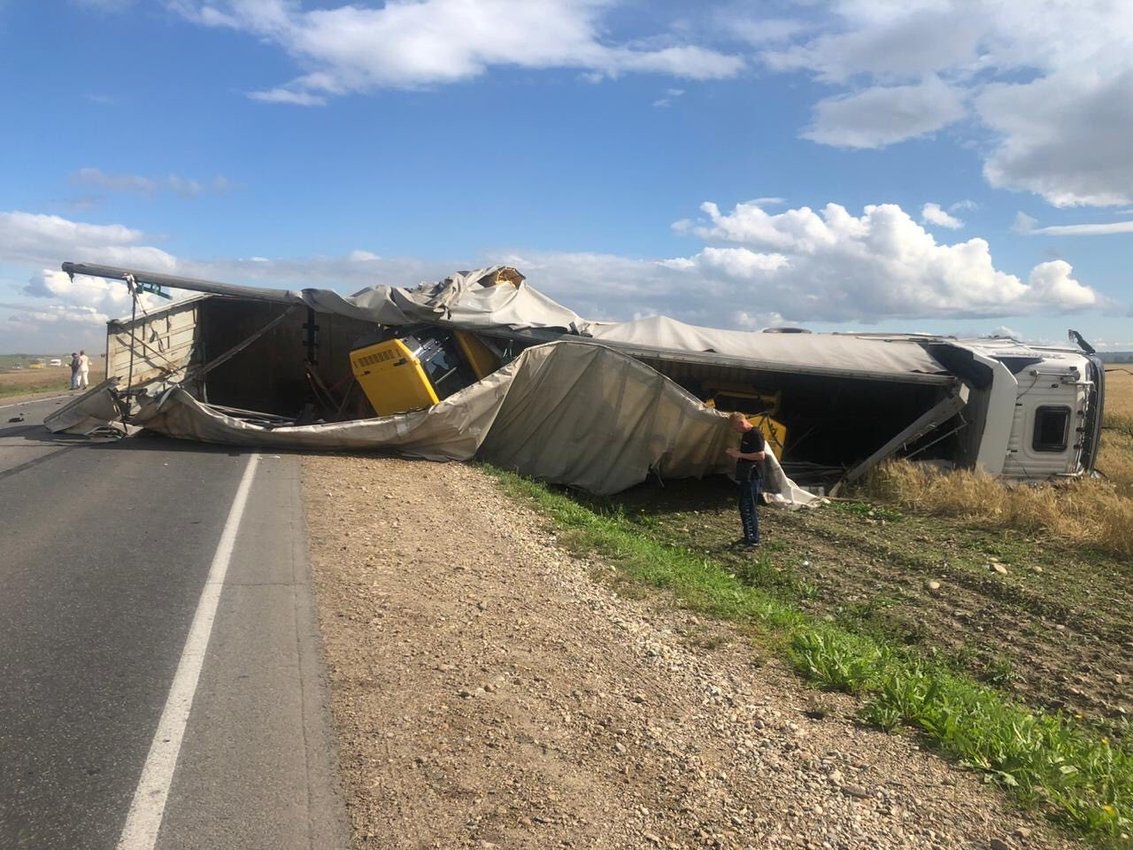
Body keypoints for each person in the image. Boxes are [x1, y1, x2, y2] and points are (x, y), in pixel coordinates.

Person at [725, 411, 767, 547]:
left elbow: (761, 456)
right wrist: (737, 451)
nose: (736, 431)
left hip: (753, 476)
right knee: (743, 506)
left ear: (741, 423)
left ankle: (753, 539)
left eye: (736, 428)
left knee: (748, 507)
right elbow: (749, 452)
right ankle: (748, 536)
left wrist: (739, 454)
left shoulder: (755, 434)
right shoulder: (746, 435)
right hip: (746, 475)